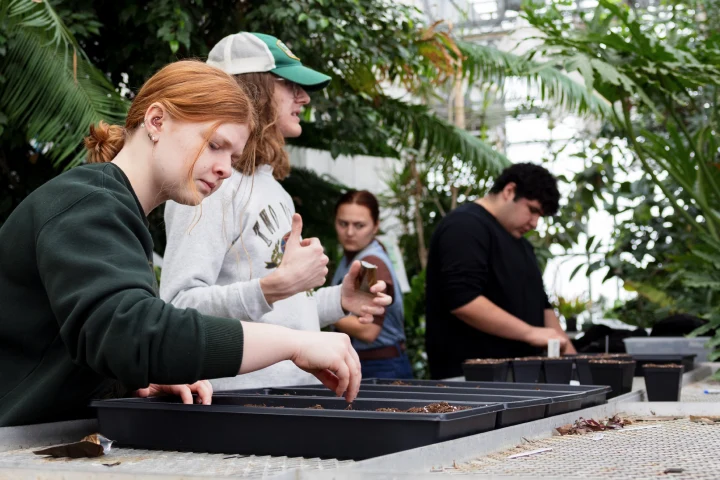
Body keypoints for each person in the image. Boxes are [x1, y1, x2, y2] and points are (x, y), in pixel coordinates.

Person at [0, 60, 362, 428]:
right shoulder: (87, 203)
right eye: (215, 145)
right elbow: (132, 333)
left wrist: (136, 380)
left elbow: (84, 342)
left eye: (233, 158)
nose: (225, 168)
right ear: (156, 121)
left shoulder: (115, 209)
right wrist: (293, 344)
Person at [160, 33, 391, 390]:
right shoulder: (210, 183)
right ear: (252, 90)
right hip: (237, 401)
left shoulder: (273, 188)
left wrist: (340, 300)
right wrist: (270, 289)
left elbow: (285, 308)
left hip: (291, 394)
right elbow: (178, 308)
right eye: (289, 84)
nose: (304, 97)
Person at [425, 163, 575, 380]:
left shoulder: (523, 245)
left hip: (520, 380)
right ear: (509, 191)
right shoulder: (464, 226)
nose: (534, 223)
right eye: (532, 210)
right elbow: (462, 300)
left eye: (540, 216)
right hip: (470, 382)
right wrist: (530, 333)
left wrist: (574, 361)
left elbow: (542, 306)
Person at [331, 190, 413, 379]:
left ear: (376, 226)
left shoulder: (368, 262)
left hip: (380, 367)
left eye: (359, 225)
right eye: (343, 224)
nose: (350, 232)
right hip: (374, 363)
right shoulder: (354, 255)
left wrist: (317, 311)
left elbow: (368, 331)